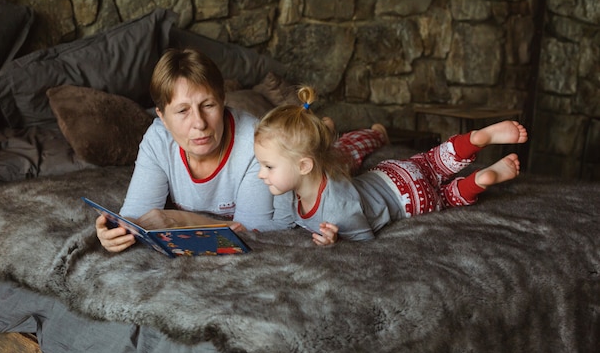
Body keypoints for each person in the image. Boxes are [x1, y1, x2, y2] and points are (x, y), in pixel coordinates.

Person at [254, 86, 528, 246]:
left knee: (444, 197)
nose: (260, 174)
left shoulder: (338, 210)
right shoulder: (292, 189)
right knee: (432, 161)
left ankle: (476, 182)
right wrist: (250, 231)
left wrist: (336, 242)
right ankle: (474, 140)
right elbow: (281, 223)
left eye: (268, 166)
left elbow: (365, 239)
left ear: (303, 166)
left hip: (409, 198)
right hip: (390, 172)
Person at [96, 48, 290, 253]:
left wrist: (182, 220)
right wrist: (115, 231)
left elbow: (251, 235)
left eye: (208, 105)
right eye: (182, 111)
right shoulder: (158, 139)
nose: (199, 123)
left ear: (223, 101)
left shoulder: (256, 144)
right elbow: (137, 217)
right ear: (162, 117)